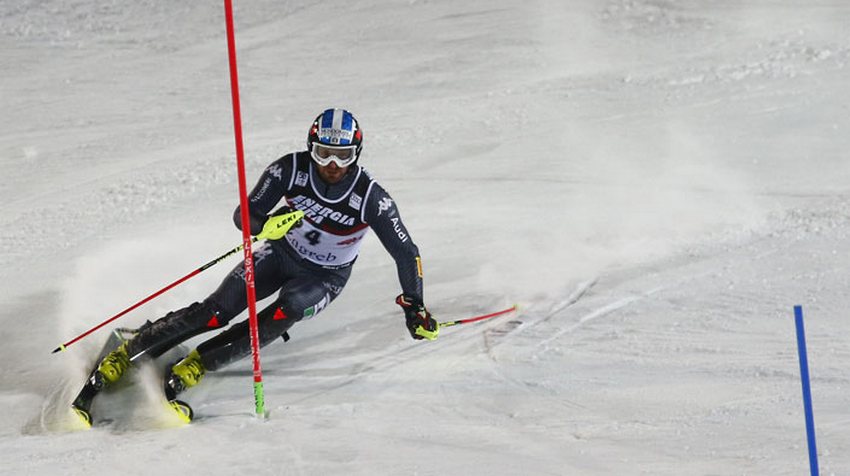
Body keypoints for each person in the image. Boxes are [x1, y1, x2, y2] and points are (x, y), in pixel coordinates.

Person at [72, 108, 438, 424]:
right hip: (279, 254)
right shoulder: (290, 170)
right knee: (216, 311)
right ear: (311, 148)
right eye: (323, 153)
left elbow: (406, 252)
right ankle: (130, 351)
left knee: (286, 310)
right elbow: (244, 215)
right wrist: (265, 225)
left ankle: (197, 365)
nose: (331, 165)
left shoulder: (371, 197)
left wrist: (415, 307)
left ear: (356, 154)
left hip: (325, 277)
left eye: (342, 156)